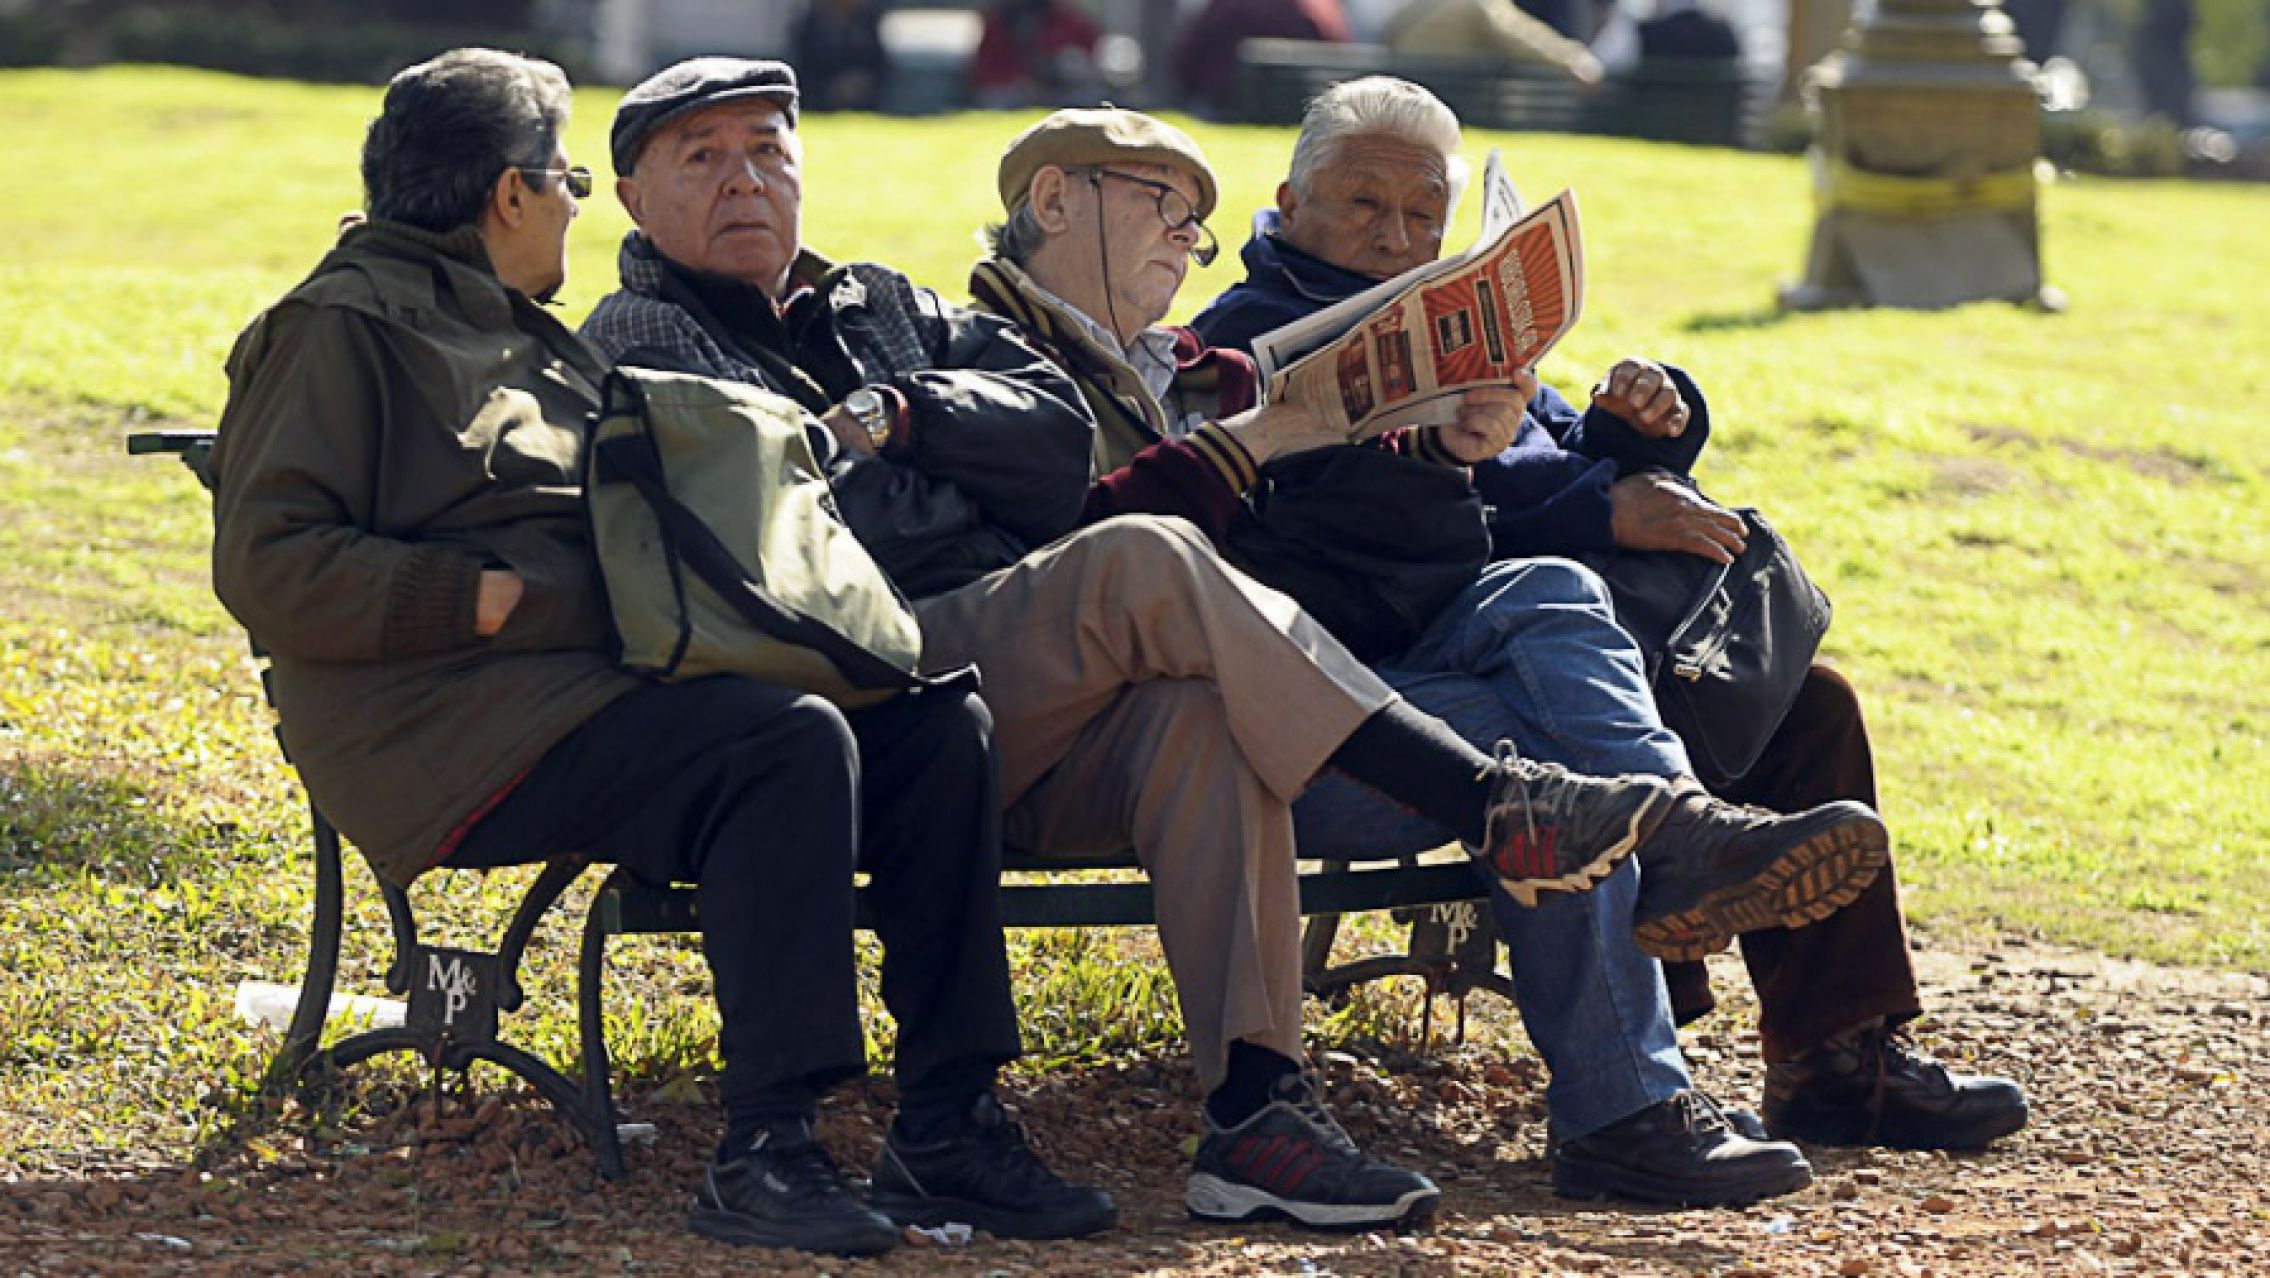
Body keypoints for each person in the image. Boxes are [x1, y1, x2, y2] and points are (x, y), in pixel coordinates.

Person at [579, 58, 1863, 1226]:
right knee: (1157, 563)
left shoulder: (878, 304)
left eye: (769, 150)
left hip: (1042, 687)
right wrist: (933, 447)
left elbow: (1031, 457)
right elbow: (859, 525)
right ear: (1058, 203)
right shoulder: (648, 334)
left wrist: (898, 419)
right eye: (705, 157)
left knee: (1273, 693)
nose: (748, 178)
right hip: (859, 694)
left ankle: (1258, 1115)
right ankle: (1534, 820)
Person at [205, 48, 1117, 1259]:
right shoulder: (343, 326)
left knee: (931, 721)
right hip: (442, 730)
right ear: (508, 194)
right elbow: (266, 562)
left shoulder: (513, 331)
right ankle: (768, 1147)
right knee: (781, 744)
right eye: (569, 177)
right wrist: (474, 597)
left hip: (588, 695)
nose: (577, 203)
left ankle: (949, 1120)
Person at [962, 105, 1919, 1206]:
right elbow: (1118, 571)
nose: (1184, 235)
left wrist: (1576, 442)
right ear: (1051, 203)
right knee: (1549, 768)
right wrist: (1515, 485)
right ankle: (1627, 1095)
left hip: (1399, 669)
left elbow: (1526, 459)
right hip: (1248, 721)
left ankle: (1703, 895)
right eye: (1161, 208)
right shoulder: (1011, 358)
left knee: (1578, 612)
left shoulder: (1187, 367)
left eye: (1189, 217)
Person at [1193, 76, 2030, 1155]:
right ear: (1289, 200)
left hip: (1536, 635)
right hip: (1395, 670)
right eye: (1362, 206)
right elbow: (1377, 522)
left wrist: (1637, 432)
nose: (1394, 236)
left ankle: (1835, 1057)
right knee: (1570, 713)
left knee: (1804, 709)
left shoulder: (1448, 307)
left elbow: (1544, 447)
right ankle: (1632, 1075)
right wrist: (1597, 504)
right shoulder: (1251, 342)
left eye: (1420, 215)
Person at [1381, 0, 1606, 88]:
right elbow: (1521, 36)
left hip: (1414, 93)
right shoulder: (1481, 5)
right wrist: (1573, 58)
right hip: (1461, 98)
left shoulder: (1414, 7)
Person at [969, 0, 1102, 109]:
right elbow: (986, 72)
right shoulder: (999, 24)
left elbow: (1089, 55)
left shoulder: (1069, 21)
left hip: (1062, 91)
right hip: (1012, 94)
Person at [792, 0, 888, 112]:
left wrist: (860, 83)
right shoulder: (809, 25)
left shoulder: (868, 22)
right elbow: (804, 69)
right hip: (819, 101)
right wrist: (831, 89)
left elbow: (879, 66)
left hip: (865, 100)